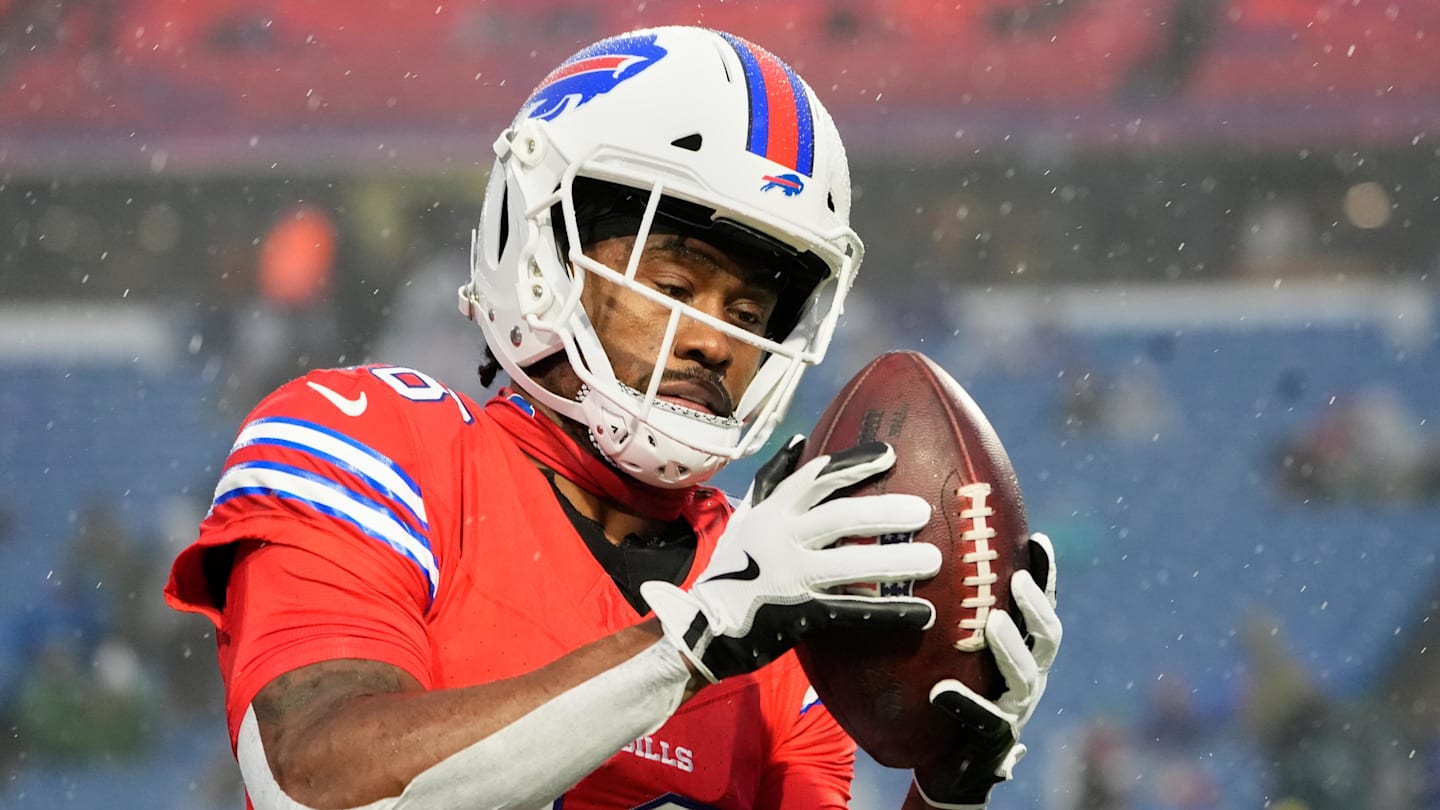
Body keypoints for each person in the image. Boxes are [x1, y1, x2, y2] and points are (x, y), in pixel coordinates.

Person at [165, 25, 1061, 810]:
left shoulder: (775, 592)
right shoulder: (374, 441)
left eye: (749, 317)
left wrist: (948, 791)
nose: (715, 343)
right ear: (541, 261)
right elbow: (315, 788)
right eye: (673, 288)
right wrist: (687, 645)